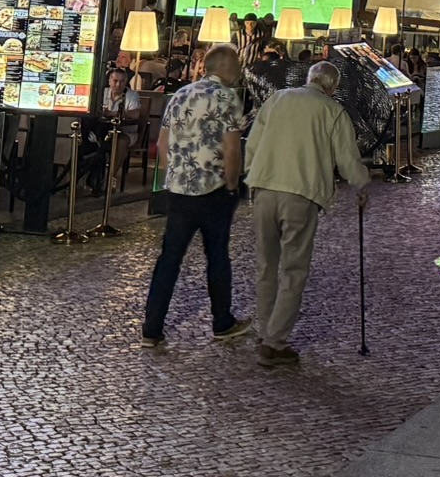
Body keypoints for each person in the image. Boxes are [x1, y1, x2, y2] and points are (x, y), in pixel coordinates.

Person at [243, 60, 371, 366]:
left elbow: (254, 143)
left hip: (264, 188)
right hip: (300, 195)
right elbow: (347, 160)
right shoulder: (332, 111)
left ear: (309, 79)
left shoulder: (277, 99)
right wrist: (362, 186)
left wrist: (253, 174)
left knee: (265, 265)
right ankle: (275, 340)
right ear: (331, 87)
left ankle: (264, 330)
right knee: (293, 270)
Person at [142, 44, 251, 346]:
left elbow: (162, 144)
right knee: (216, 256)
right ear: (227, 69)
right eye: (238, 66)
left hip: (179, 190)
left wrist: (173, 174)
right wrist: (232, 186)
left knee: (169, 259)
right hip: (213, 190)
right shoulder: (228, 99)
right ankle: (222, 320)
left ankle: (152, 327)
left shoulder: (180, 95)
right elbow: (231, 150)